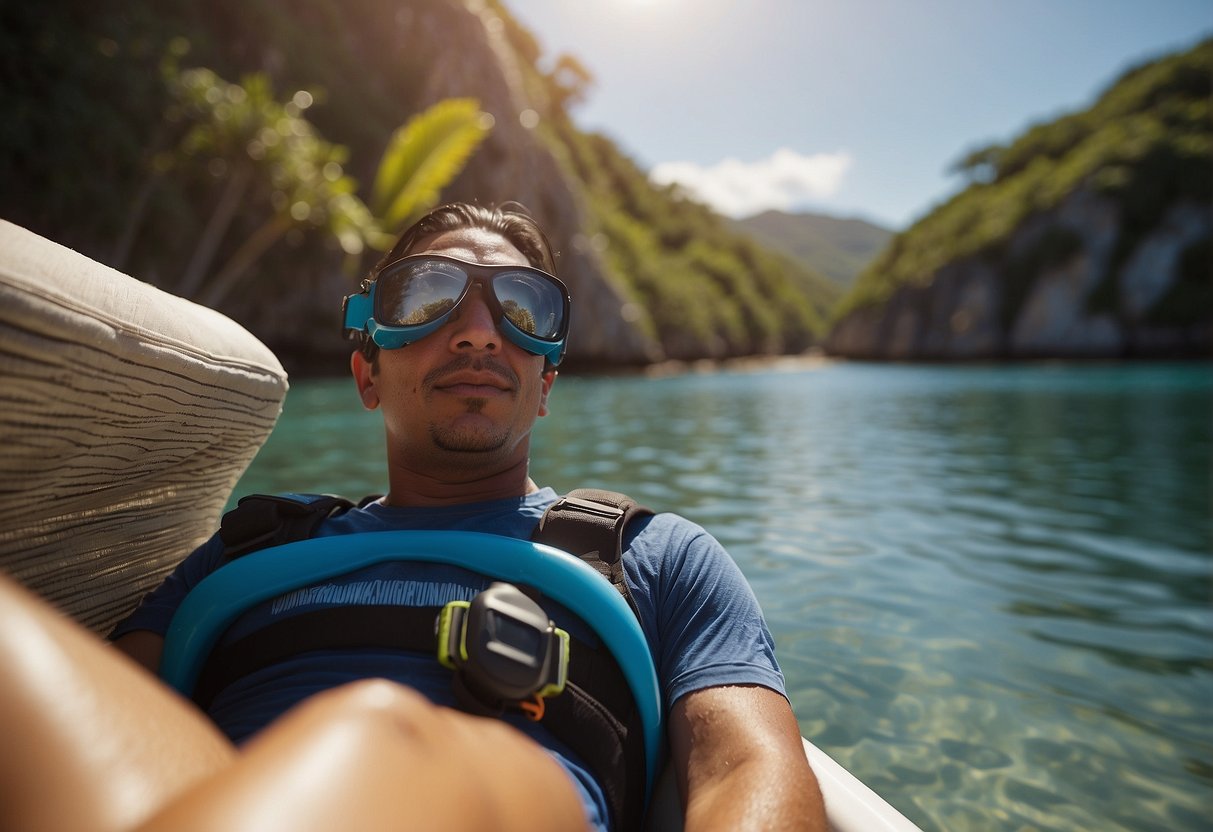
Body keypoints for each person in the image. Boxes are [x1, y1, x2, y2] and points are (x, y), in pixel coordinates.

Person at [2, 202, 825, 832]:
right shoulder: (249, 546)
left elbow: (746, 769)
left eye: (522, 310)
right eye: (427, 299)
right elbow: (125, 706)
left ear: (544, 386)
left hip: (459, 777)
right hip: (217, 793)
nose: (476, 334)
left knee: (378, 731)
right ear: (367, 373)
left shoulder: (654, 556)